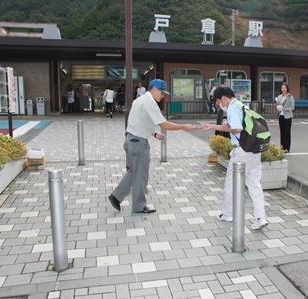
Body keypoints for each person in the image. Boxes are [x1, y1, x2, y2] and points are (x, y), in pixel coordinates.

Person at [108, 79, 196, 214]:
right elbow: (164, 124)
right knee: (141, 175)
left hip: (130, 140)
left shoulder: (138, 101)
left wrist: (154, 133)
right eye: (162, 92)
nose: (163, 96)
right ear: (154, 89)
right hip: (139, 143)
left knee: (133, 172)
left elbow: (140, 121)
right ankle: (138, 206)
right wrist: (184, 126)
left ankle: (116, 196)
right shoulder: (150, 103)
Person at [201, 86, 268, 230]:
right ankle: (260, 217)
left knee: (231, 183)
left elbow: (237, 128)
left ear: (224, 98)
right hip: (254, 149)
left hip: (242, 151)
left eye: (219, 101)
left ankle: (227, 214)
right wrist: (213, 126)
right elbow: (232, 127)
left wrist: (226, 126)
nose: (220, 105)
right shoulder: (241, 105)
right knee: (254, 184)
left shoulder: (232, 108)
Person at [275, 83, 295, 152]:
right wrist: (278, 106)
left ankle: (287, 148)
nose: (283, 89)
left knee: (287, 132)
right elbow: (277, 105)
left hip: (288, 116)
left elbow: (292, 107)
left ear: (287, 89)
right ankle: (282, 147)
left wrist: (285, 109)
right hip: (281, 116)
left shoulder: (290, 97)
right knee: (282, 132)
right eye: (282, 88)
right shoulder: (279, 97)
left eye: (284, 88)